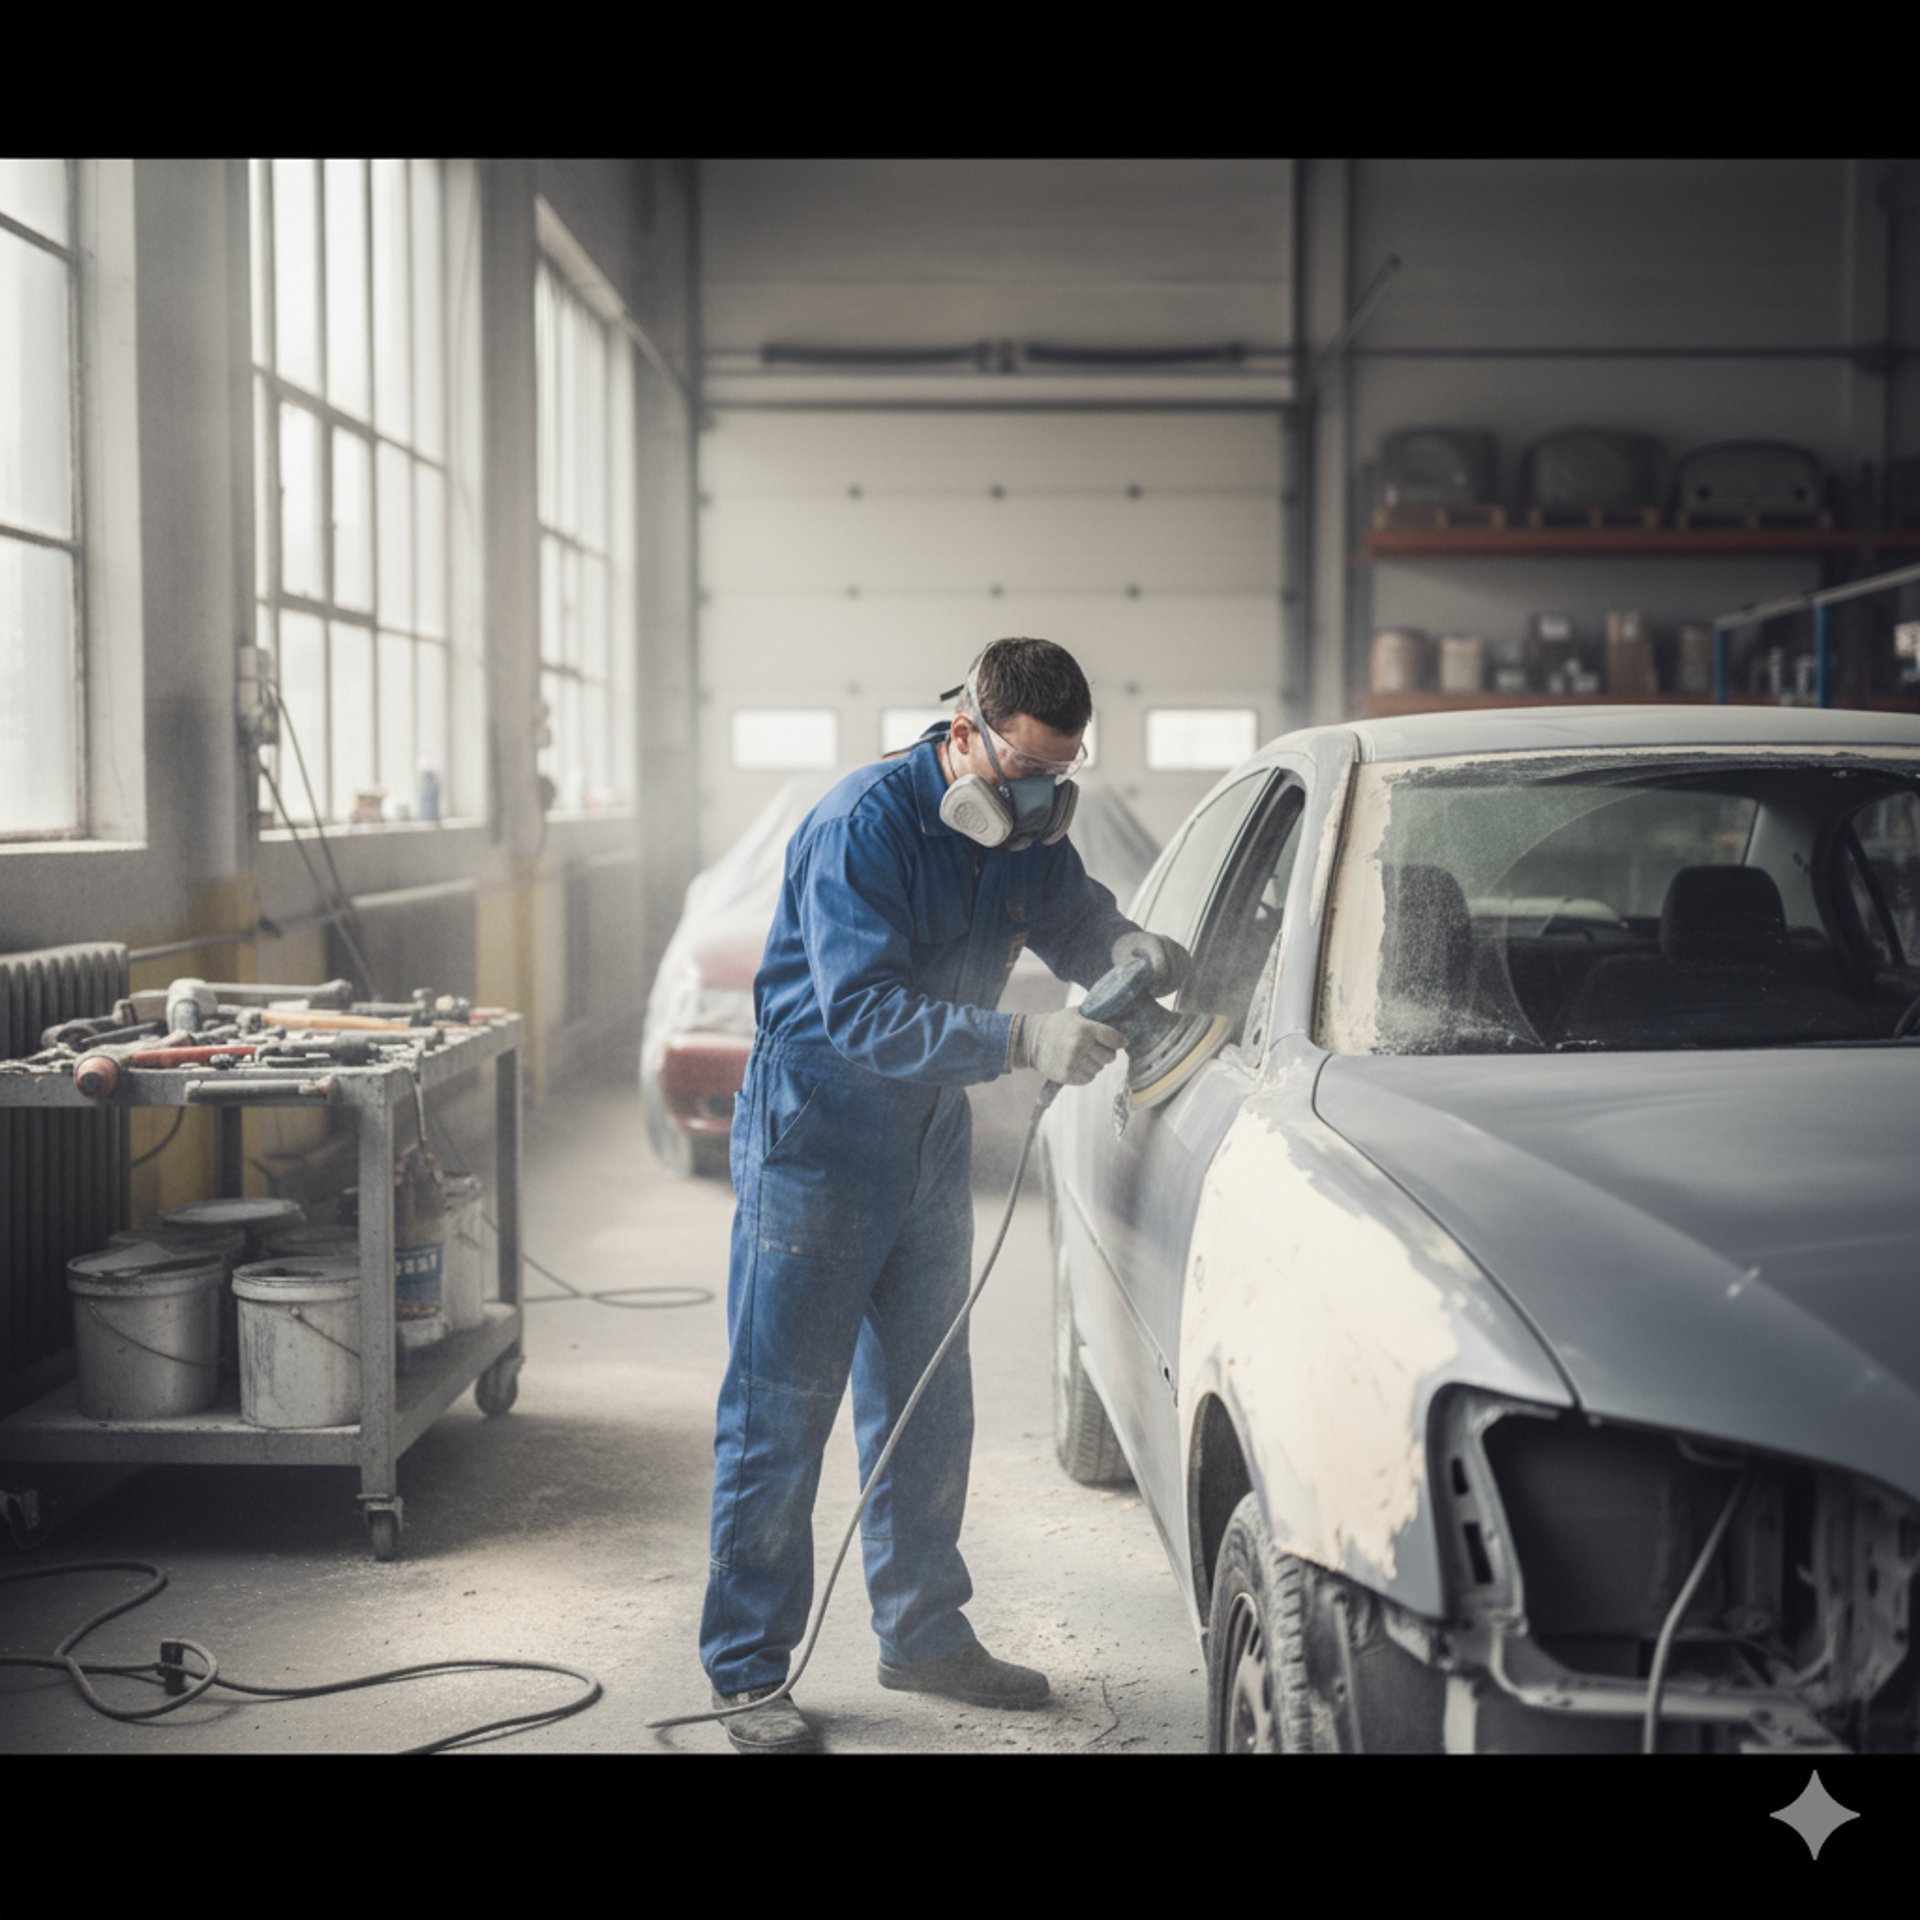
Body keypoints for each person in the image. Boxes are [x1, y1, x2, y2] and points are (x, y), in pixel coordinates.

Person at [699, 636, 1187, 1752]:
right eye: (1020, 772)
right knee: (782, 1409)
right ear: (963, 733)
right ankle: (745, 1672)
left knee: (925, 1400)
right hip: (816, 1130)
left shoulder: (1027, 825)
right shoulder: (860, 825)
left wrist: (1125, 945)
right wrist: (1024, 1036)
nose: (1035, 799)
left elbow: (1070, 919)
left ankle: (922, 1634)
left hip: (926, 1132)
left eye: (1058, 776)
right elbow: (861, 1013)